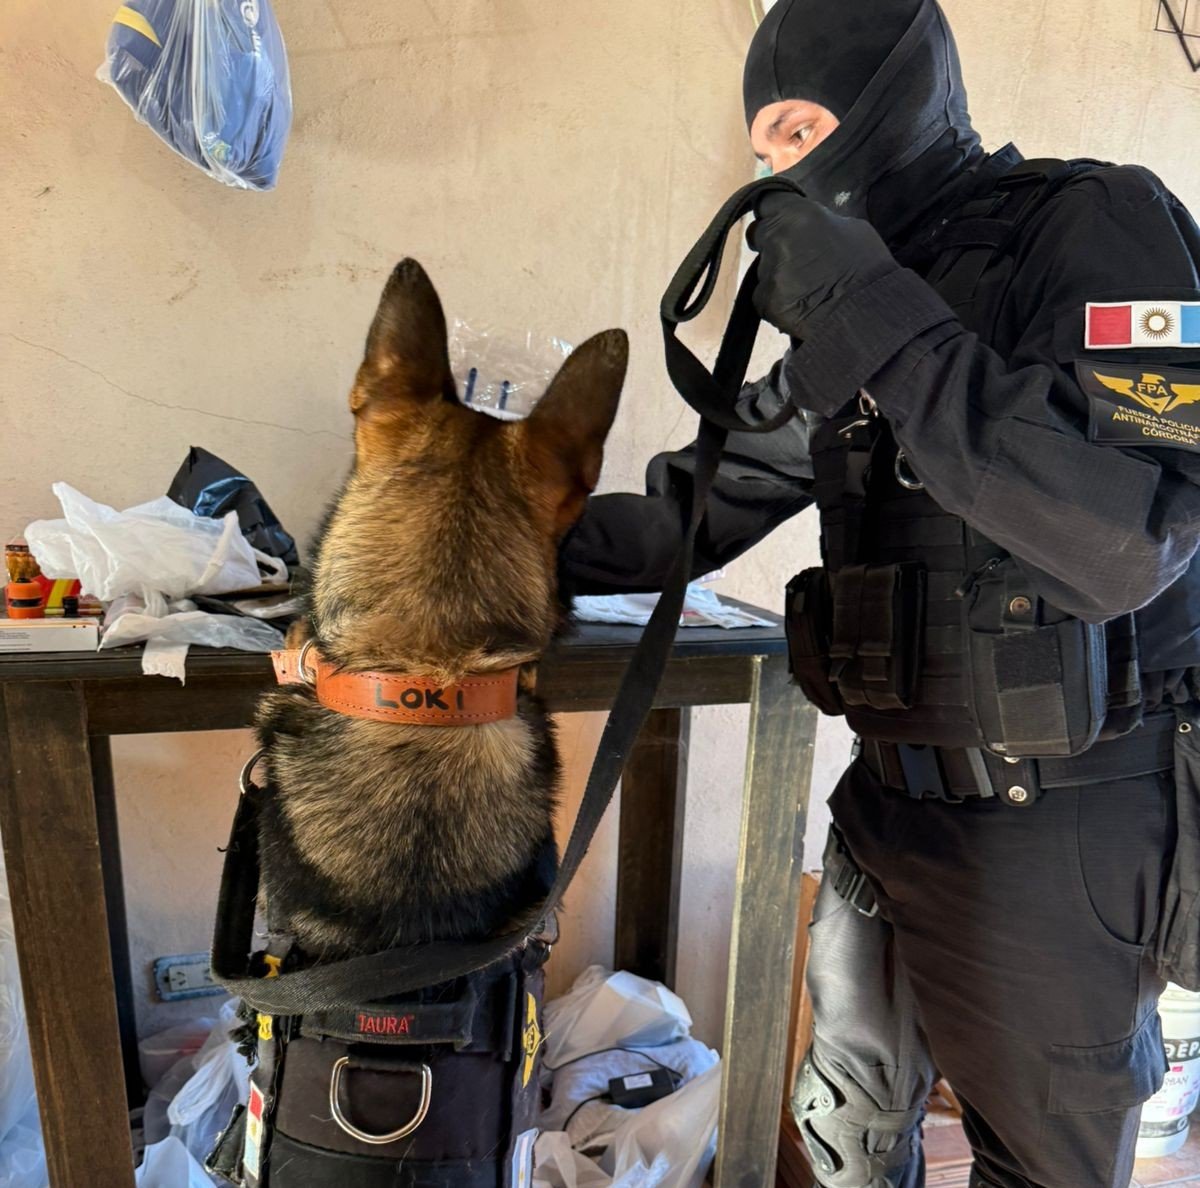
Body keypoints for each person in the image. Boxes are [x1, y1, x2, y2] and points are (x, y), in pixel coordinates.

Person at [561, 1, 1200, 1184]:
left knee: (1041, 1163)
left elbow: (1126, 537)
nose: (779, 172)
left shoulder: (1098, 220)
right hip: (886, 806)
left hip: (1058, 818)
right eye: (763, 148)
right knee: (843, 1134)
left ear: (896, 96)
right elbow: (701, 501)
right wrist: (488, 552)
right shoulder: (858, 302)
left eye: (800, 130)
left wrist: (875, 317)